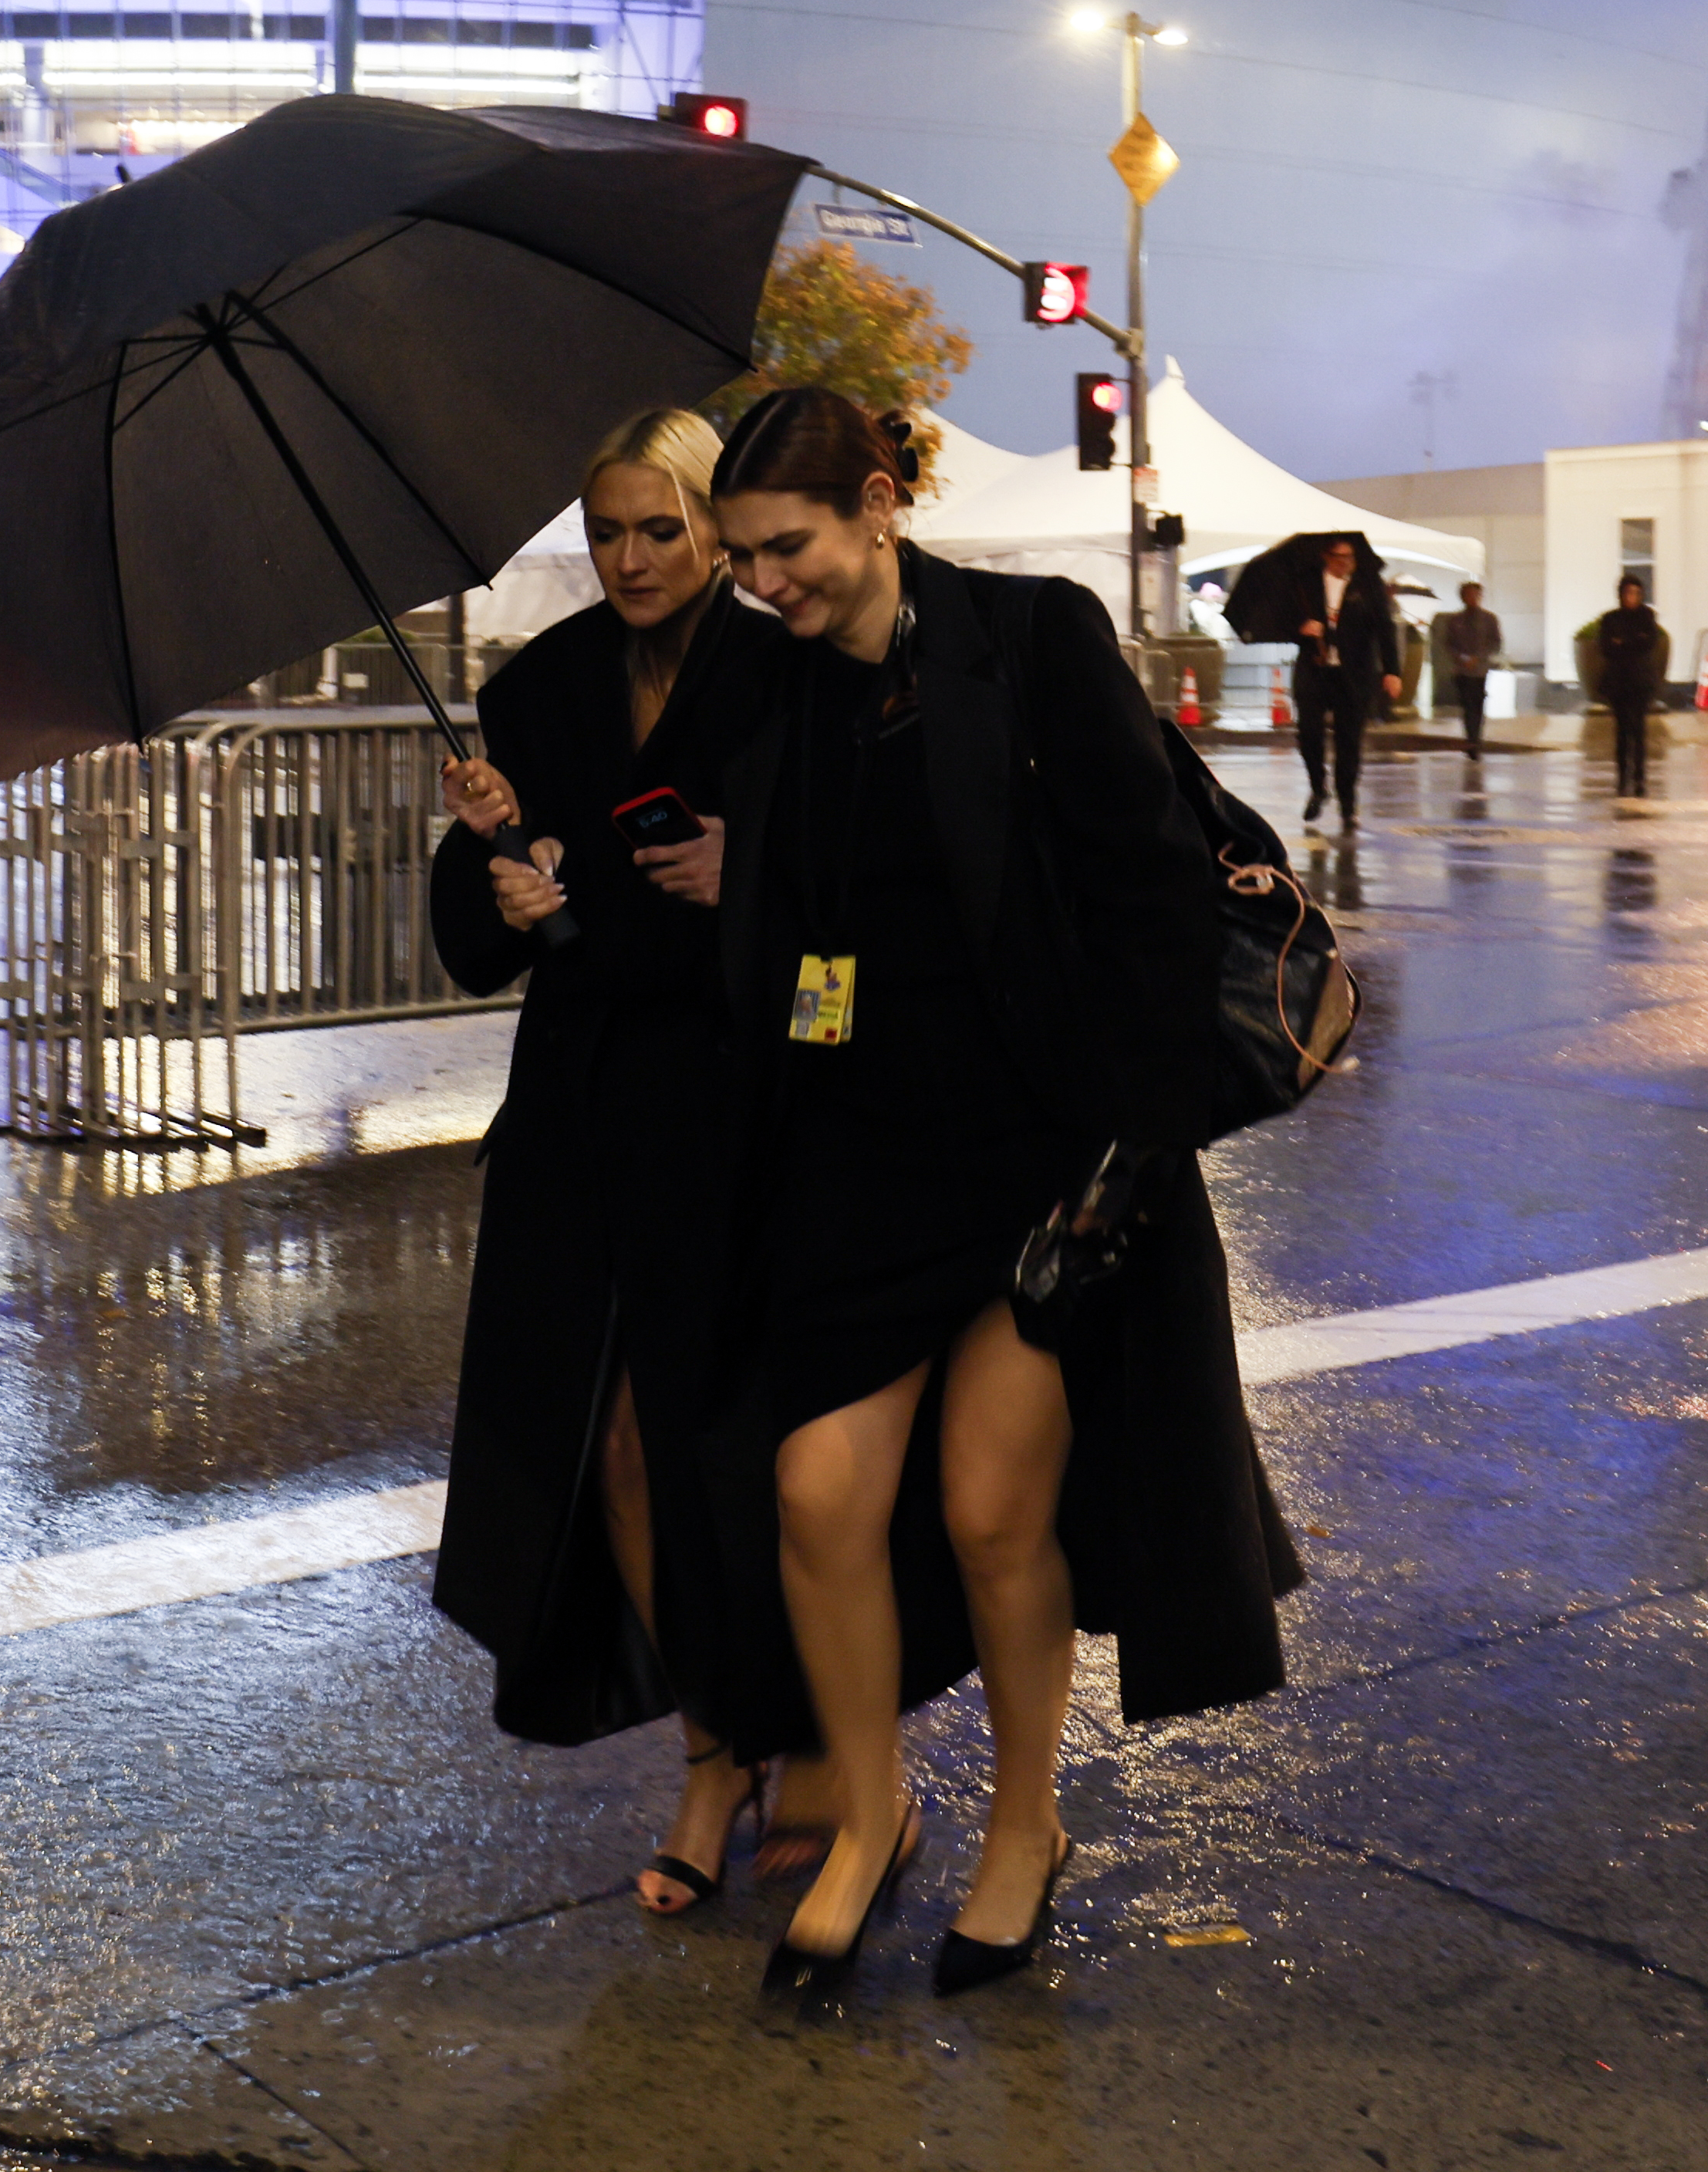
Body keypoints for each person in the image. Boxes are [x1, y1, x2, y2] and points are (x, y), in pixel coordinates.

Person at [704, 388, 1299, 2004]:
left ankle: (1022, 1822)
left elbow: (1154, 894)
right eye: (741, 552)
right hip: (858, 1156)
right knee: (817, 1491)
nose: (764, 578)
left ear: (881, 505)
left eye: (790, 544)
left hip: (1044, 1157)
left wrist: (1130, 1149)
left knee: (987, 1507)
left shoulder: (1030, 638)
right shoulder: (762, 680)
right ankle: (870, 1805)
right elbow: (736, 878)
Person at [425, 411, 802, 1917]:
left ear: (712, 523)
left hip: (738, 1110)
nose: (630, 556)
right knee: (611, 1446)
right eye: (605, 529)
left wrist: (748, 872)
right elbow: (466, 937)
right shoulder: (541, 685)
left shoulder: (783, 670)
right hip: (579, 1118)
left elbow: (855, 880)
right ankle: (716, 1749)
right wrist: (495, 868)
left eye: (658, 526)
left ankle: (820, 1730)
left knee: (755, 1447)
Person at [1288, 534, 1400, 830]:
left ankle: (1348, 802)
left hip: (1355, 673)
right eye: (1339, 557)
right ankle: (1318, 787)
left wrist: (1392, 671)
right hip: (1314, 670)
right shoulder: (1305, 584)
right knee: (1309, 732)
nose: (1345, 564)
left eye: (1350, 557)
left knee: (1349, 740)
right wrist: (1301, 628)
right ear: (1326, 557)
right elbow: (1283, 619)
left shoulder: (1368, 585)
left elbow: (1385, 630)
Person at [1597, 575, 1669, 797]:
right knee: (1621, 731)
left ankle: (1639, 775)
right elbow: (1606, 647)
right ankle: (1622, 776)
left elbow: (1648, 643)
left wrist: (1624, 642)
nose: (1632, 597)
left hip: (1640, 681)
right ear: (1621, 595)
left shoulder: (1646, 617)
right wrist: (1631, 641)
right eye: (1628, 593)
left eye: (1636, 593)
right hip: (1619, 681)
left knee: (1639, 730)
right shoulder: (1610, 619)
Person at [1435, 581, 1505, 758]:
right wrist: (1461, 658)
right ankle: (1470, 737)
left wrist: (1479, 658)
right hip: (1462, 669)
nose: (1472, 599)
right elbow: (1448, 643)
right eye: (1468, 595)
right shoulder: (1455, 621)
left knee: (1478, 702)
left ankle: (1476, 739)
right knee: (1467, 704)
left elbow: (1495, 643)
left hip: (1480, 669)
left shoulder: (1489, 619)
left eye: (1475, 595)